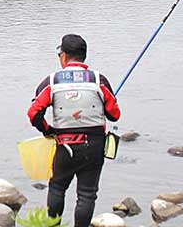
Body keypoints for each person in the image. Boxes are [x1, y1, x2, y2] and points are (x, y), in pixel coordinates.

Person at [27, 34, 121, 227]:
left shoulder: (52, 82)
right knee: (87, 194)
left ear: (64, 56)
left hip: (65, 145)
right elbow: (114, 115)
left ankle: (53, 225)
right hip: (94, 147)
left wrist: (47, 130)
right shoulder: (98, 80)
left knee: (57, 187)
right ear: (83, 56)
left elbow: (33, 113)